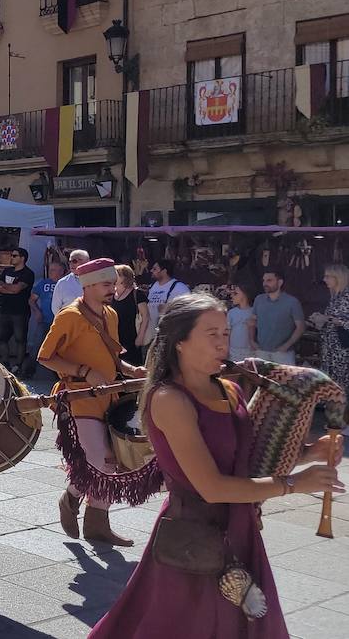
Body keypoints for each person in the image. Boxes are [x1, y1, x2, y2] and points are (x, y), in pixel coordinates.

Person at [87, 292, 343, 639]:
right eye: (212, 335)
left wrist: (311, 453)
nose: (223, 343)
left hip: (240, 527)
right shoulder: (169, 399)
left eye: (225, 333)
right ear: (180, 342)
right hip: (193, 533)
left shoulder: (228, 390)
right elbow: (212, 486)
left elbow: (244, 461)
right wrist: (295, 483)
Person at [37, 258, 147, 546]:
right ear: (87, 285)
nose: (112, 288)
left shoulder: (110, 315)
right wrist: (84, 372)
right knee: (99, 460)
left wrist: (131, 370)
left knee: (114, 461)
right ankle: (70, 497)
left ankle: (97, 523)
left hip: (108, 397)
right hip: (78, 398)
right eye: (106, 284)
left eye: (113, 283)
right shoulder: (69, 316)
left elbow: (111, 358)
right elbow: (45, 356)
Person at [311, 265, 349, 406]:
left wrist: (330, 319)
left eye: (328, 276)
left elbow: (342, 321)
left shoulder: (347, 297)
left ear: (338, 278)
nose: (324, 279)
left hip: (342, 352)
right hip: (330, 351)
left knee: (341, 386)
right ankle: (336, 421)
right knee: (333, 386)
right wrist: (317, 319)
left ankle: (342, 422)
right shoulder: (335, 297)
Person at [0, 247, 36, 374]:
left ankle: (18, 365)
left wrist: (7, 288)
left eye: (14, 256)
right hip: (5, 309)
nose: (12, 258)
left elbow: (17, 289)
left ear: (22, 258)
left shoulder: (28, 273)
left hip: (20, 311)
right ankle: (5, 363)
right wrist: (10, 289)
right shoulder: (7, 270)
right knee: (2, 338)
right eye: (11, 255)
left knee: (20, 339)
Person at [252, 270, 304, 364]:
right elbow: (251, 322)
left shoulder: (292, 302)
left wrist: (286, 346)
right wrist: (251, 341)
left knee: (285, 379)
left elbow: (300, 327)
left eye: (269, 280)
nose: (265, 283)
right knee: (260, 378)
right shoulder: (259, 299)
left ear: (280, 282)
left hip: (283, 353)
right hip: (261, 351)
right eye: (264, 280)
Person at [146, 259, 190, 344]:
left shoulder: (180, 288)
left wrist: (169, 308)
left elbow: (188, 310)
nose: (151, 271)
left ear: (164, 271)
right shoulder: (153, 286)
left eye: (155, 269)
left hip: (169, 337)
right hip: (151, 336)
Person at [113, 264, 149, 366]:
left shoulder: (137, 294)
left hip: (132, 338)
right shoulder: (111, 295)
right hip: (116, 338)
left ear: (125, 277)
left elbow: (146, 316)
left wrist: (140, 338)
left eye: (117, 274)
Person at [52, 249, 90, 316]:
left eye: (74, 261)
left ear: (87, 262)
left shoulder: (96, 280)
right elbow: (55, 308)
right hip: (68, 323)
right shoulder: (62, 283)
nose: (71, 264)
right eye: (70, 261)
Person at [228, 282, 258, 363]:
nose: (232, 295)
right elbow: (228, 332)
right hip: (233, 352)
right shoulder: (231, 313)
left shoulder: (254, 312)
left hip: (250, 352)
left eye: (235, 293)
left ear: (245, 294)